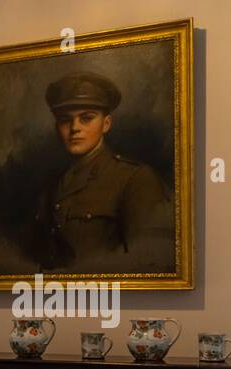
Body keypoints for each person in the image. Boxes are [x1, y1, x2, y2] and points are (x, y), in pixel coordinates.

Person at [30, 72, 173, 272]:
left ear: (106, 124)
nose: (74, 128)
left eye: (86, 118)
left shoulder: (136, 178)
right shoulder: (52, 185)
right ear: (56, 127)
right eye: (65, 120)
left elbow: (149, 260)